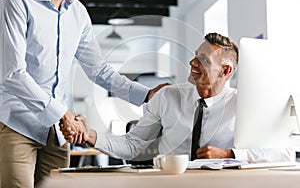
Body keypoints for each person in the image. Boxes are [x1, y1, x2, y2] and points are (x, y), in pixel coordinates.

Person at [0, 0, 168, 187]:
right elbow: (13, 74)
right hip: (17, 123)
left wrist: (146, 94)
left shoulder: (78, 12)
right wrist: (63, 114)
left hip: (58, 132)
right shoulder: (16, 0)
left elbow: (98, 70)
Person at [64, 32, 295, 164]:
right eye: (195, 56)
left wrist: (230, 154)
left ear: (225, 71)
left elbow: (285, 152)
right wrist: (92, 136)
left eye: (203, 60)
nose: (192, 63)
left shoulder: (242, 105)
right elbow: (133, 145)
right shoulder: (167, 97)